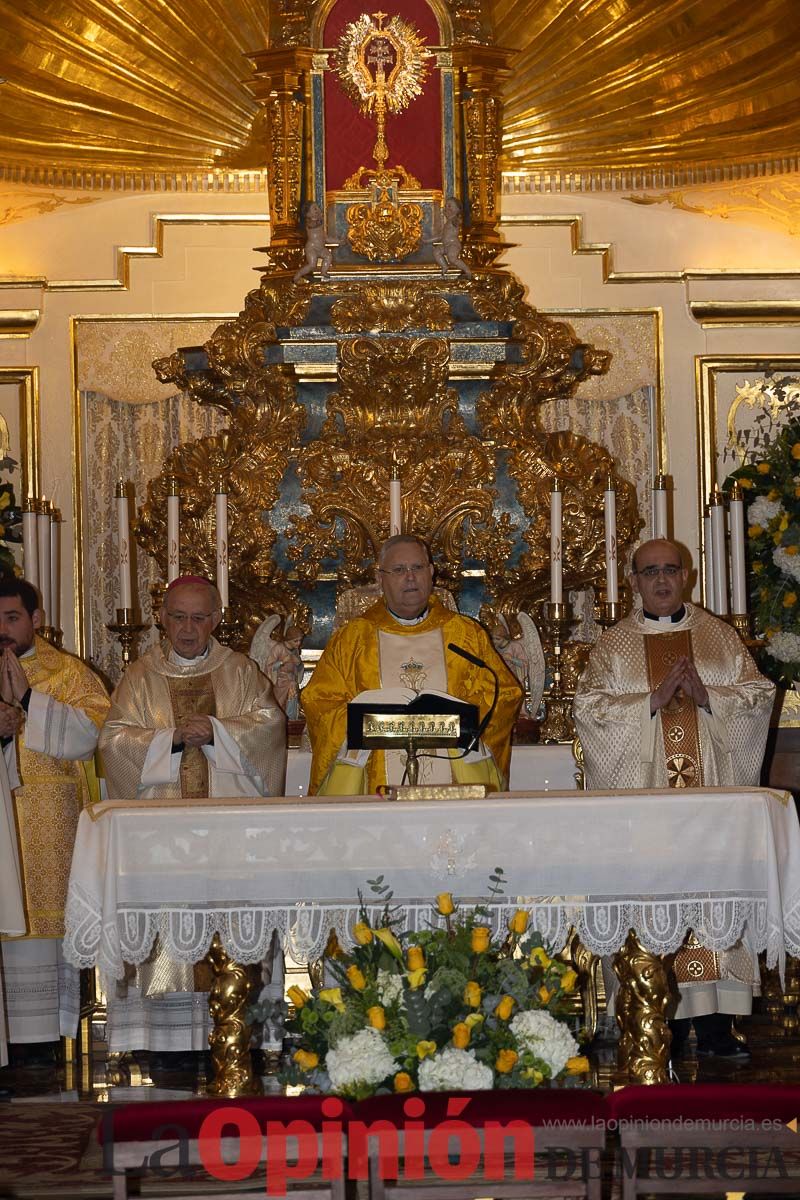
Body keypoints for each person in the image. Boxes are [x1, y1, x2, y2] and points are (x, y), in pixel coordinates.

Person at [573, 537, 775, 1060]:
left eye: (670, 569)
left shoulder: (719, 638)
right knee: (655, 896)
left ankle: (714, 1023)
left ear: (686, 575)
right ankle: (655, 1016)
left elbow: (757, 696)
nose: (661, 580)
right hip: (648, 812)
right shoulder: (613, 645)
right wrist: (651, 701)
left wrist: (711, 697)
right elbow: (590, 712)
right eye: (649, 571)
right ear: (633, 581)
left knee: (713, 896)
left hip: (709, 806)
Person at [98, 574, 286, 1057]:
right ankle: (170, 1042)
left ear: (217, 620)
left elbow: (270, 728)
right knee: (170, 923)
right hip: (165, 839)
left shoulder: (240, 671)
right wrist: (172, 740)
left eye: (199, 617)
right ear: (162, 618)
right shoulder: (140, 676)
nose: (187, 628)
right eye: (178, 617)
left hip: (229, 834)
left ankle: (243, 1028)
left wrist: (220, 732)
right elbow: (113, 742)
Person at [302, 535, 522, 795]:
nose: (410, 577)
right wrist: (366, 713)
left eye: (417, 568)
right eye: (398, 570)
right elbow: (320, 704)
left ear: (431, 573)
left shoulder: (465, 635)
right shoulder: (353, 639)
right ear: (380, 578)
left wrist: (460, 719)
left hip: (453, 789)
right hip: (374, 791)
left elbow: (503, 695)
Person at [0, 576, 109, 1066]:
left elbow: (95, 734)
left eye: (12, 617)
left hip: (49, 824)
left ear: (35, 619)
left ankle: (44, 1042)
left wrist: (29, 703)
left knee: (45, 925)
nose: (2, 629)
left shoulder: (68, 674)